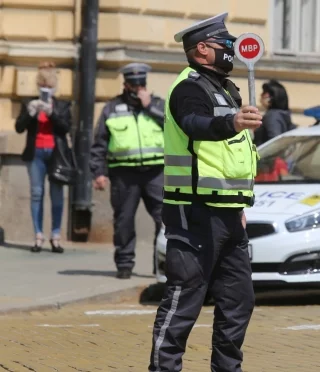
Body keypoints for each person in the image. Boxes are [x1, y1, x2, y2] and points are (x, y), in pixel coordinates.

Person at [148, 12, 263, 372]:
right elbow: (194, 125)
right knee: (185, 298)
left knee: (238, 301)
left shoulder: (227, 88)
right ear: (201, 50)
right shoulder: (188, 88)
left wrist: (240, 203)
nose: (231, 50)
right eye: (224, 45)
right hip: (193, 210)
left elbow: (233, 157)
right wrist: (231, 122)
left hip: (229, 213)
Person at [89, 62, 166, 279]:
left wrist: (150, 107)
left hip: (155, 173)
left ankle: (159, 264)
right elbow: (100, 143)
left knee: (165, 219)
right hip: (124, 175)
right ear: (126, 85)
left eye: (141, 83)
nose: (138, 88)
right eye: (134, 84)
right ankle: (124, 264)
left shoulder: (158, 105)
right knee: (124, 221)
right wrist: (98, 172)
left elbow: (175, 128)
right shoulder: (112, 108)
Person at [15, 61, 72, 253]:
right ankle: (38, 236)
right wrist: (31, 113)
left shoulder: (62, 105)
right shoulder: (29, 102)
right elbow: (19, 128)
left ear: (55, 87)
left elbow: (66, 128)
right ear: (38, 86)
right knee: (36, 194)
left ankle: (55, 236)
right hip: (35, 154)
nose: (45, 90)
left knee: (56, 196)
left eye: (49, 86)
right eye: (42, 86)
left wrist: (52, 113)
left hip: (56, 155)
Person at [253, 79, 295, 147]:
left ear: (271, 98)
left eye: (264, 93)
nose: (261, 95)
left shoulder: (272, 116)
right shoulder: (283, 114)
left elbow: (274, 142)